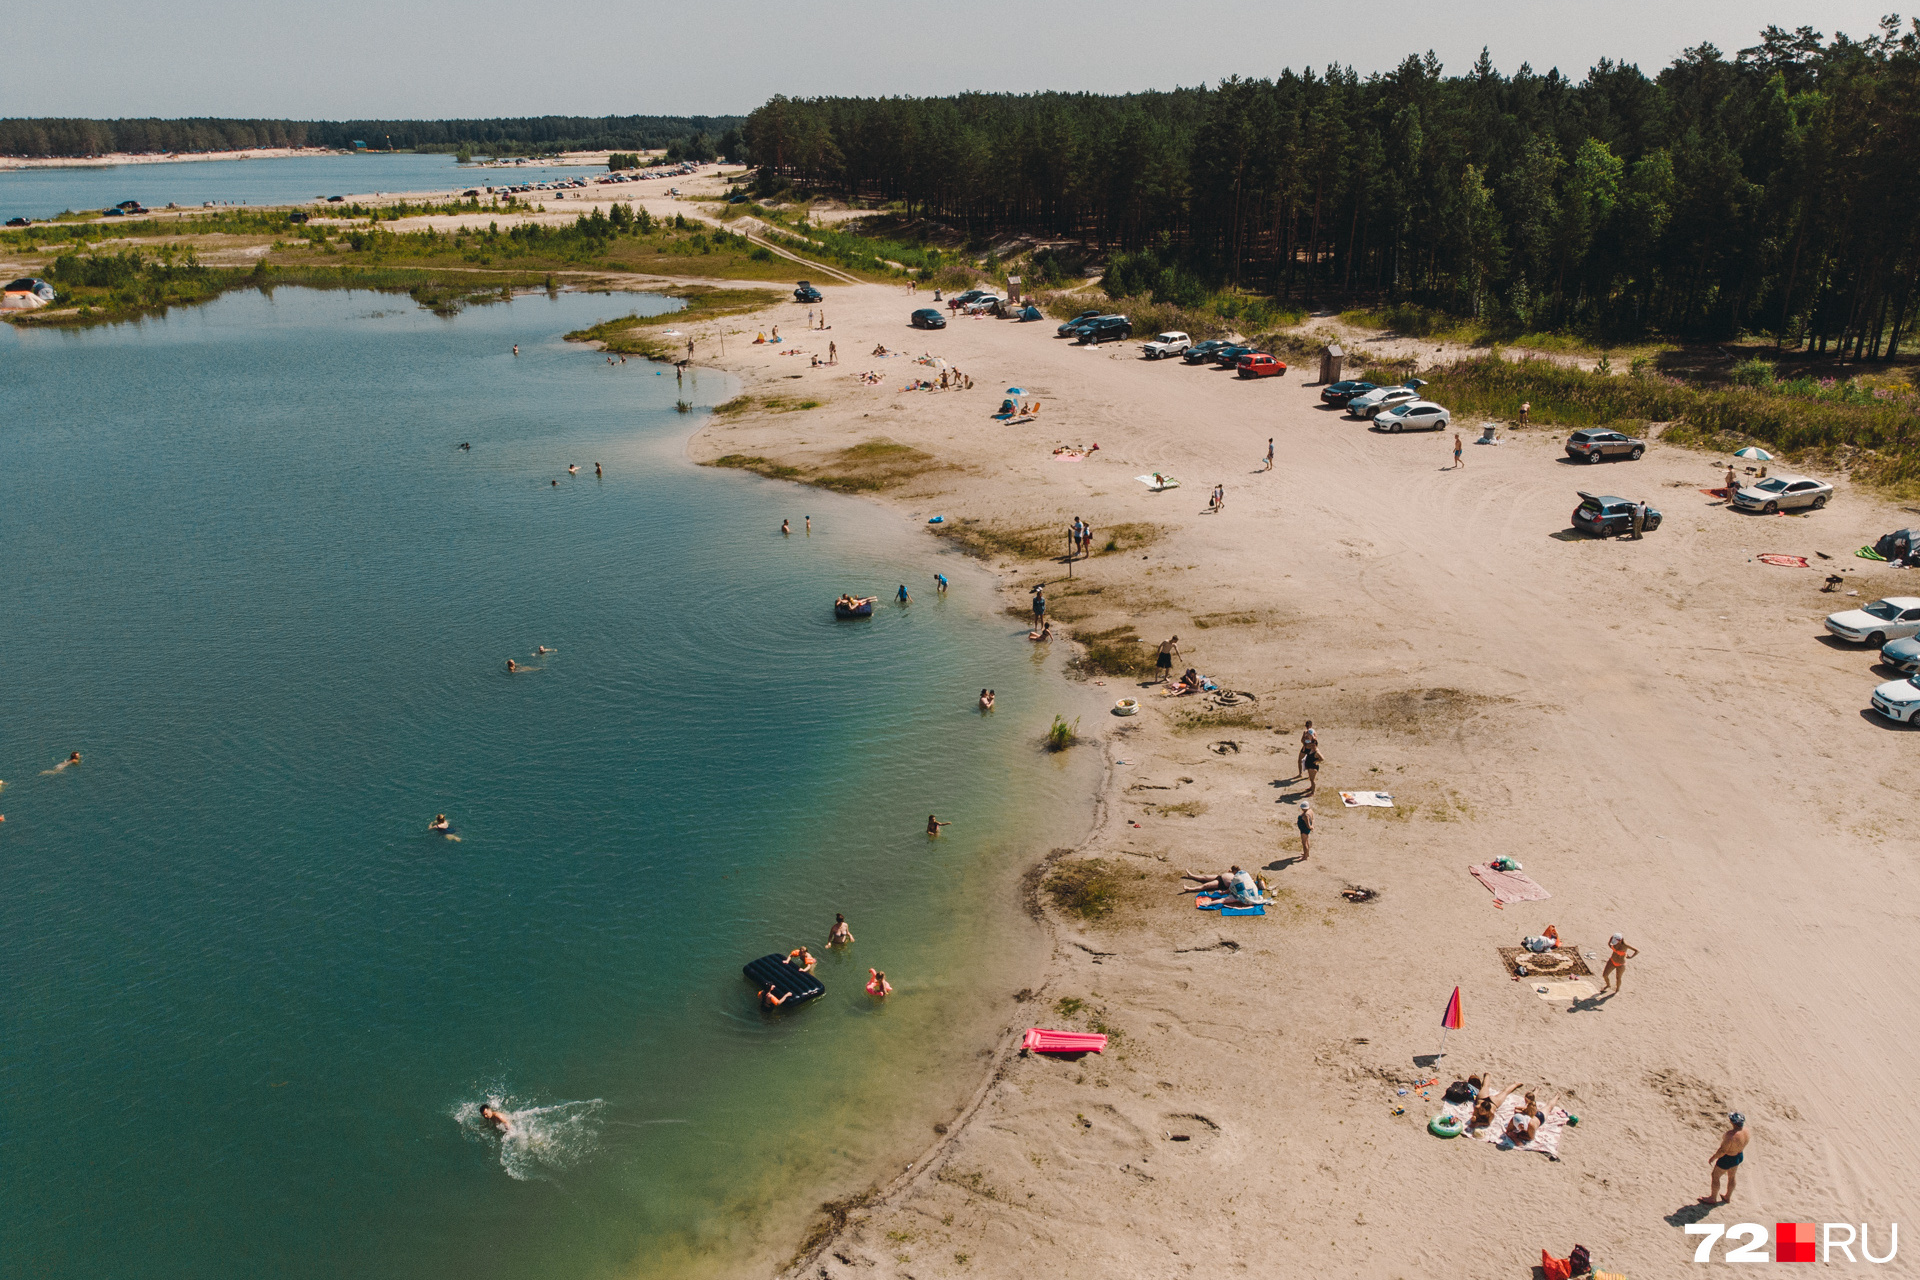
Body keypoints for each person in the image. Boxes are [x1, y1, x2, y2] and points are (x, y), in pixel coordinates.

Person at [1704, 1114, 1749, 1203]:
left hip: (1728, 1158)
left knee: (1715, 1176)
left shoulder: (1730, 1136)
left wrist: (1713, 1157)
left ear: (1733, 1123)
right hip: (1739, 1155)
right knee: (1732, 1176)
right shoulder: (1747, 1131)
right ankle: (1727, 1197)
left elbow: (1723, 1150)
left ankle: (1713, 1198)